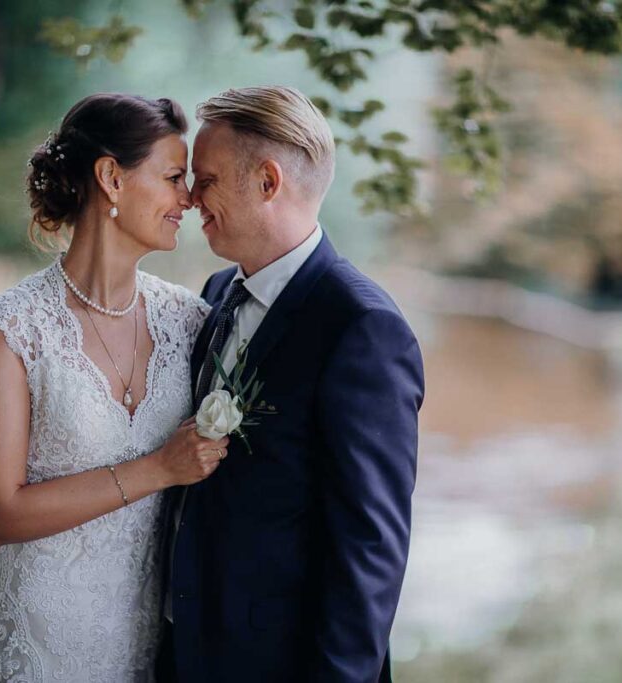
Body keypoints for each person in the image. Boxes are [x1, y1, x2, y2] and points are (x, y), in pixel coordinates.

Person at [158, 86, 425, 682]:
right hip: (185, 652)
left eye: (206, 180)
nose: (190, 197)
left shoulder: (362, 328)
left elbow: (370, 547)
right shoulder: (216, 292)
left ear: (268, 182)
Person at [0, 93, 229, 682]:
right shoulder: (11, 327)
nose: (187, 198)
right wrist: (161, 467)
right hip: (31, 640)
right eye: (172, 177)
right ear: (111, 177)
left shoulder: (191, 320)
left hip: (140, 642)